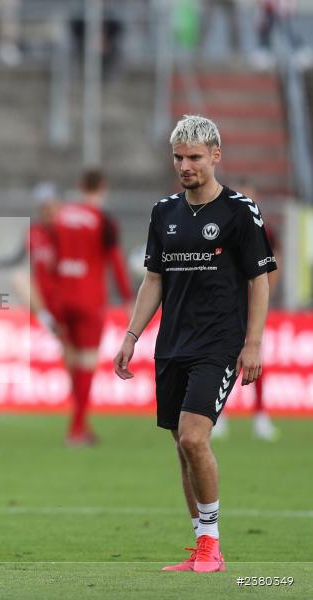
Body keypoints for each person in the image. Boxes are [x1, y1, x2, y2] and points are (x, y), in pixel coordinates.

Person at [114, 115, 276, 572]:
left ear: (216, 156)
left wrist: (254, 343)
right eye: (179, 157)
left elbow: (259, 279)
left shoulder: (240, 211)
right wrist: (131, 335)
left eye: (194, 157)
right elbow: (153, 279)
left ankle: (212, 546)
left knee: (193, 436)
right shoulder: (163, 211)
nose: (185, 166)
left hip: (219, 343)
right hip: (171, 344)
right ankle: (202, 542)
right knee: (181, 445)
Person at [53, 170, 132, 445]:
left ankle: (80, 423)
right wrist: (127, 297)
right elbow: (115, 260)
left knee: (72, 361)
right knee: (86, 362)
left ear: (79, 185)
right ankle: (76, 429)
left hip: (62, 297)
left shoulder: (61, 215)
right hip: (89, 300)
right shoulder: (103, 219)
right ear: (103, 187)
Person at [211, 179, 280, 441]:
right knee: (219, 358)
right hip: (227, 305)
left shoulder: (264, 229)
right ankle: (218, 416)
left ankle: (261, 416)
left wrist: (264, 298)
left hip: (252, 306)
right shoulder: (224, 226)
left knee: (254, 358)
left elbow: (273, 266)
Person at [0, 182, 60, 332]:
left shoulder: (69, 230)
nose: (46, 211)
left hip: (65, 291)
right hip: (44, 295)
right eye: (42, 207)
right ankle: (47, 320)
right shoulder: (33, 232)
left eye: (49, 206)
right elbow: (14, 260)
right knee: (18, 278)